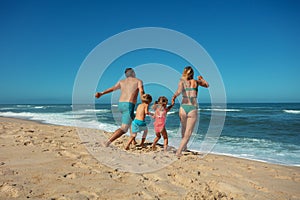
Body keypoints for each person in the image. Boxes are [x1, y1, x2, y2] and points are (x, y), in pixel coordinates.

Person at [95, 68, 144, 147]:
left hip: (121, 105)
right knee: (124, 128)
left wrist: (101, 93)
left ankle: (133, 141)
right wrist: (144, 102)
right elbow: (141, 91)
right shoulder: (138, 81)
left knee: (133, 121)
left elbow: (112, 88)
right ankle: (107, 142)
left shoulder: (122, 82)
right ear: (133, 73)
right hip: (129, 105)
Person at [171, 66, 209, 157]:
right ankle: (179, 151)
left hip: (183, 107)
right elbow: (207, 85)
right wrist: (202, 79)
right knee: (188, 132)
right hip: (192, 108)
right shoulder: (196, 82)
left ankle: (184, 147)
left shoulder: (182, 82)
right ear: (192, 73)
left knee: (184, 129)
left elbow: (178, 91)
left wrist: (173, 97)